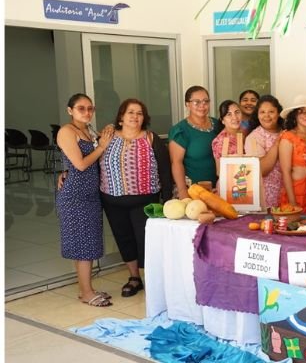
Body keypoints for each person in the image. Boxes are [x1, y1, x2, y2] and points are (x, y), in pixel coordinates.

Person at [99, 99, 172, 297]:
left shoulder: (151, 138)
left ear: (144, 118)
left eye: (139, 113)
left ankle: (154, 280)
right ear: (121, 117)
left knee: (146, 241)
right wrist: (66, 172)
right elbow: (88, 159)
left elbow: (165, 170)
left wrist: (167, 200)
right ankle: (134, 278)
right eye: (130, 112)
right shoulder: (106, 137)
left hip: (145, 201)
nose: (134, 116)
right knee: (124, 239)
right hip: (112, 200)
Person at [55, 93, 114, 307]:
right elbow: (79, 164)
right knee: (83, 245)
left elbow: (106, 140)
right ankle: (87, 292)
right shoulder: (66, 131)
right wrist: (101, 147)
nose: (87, 112)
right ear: (70, 110)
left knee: (88, 242)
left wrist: (106, 133)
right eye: (81, 108)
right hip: (75, 195)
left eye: (90, 108)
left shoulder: (87, 130)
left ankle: (86, 289)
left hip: (90, 194)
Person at [169, 85, 222, 199]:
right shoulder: (181, 130)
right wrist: (183, 191)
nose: (202, 106)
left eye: (205, 101)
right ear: (187, 104)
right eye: (196, 102)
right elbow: (176, 163)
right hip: (192, 191)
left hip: (218, 190)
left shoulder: (218, 125)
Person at [279, 95, 306, 212]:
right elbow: (286, 172)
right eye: (303, 112)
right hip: (296, 193)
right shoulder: (287, 137)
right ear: (295, 115)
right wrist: (293, 203)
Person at [245, 95, 283, 209]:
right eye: (262, 112)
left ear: (278, 113)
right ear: (257, 115)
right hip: (267, 198)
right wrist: (277, 143)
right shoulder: (253, 137)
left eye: (271, 111)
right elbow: (261, 169)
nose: (266, 116)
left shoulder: (287, 131)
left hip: (289, 193)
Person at [212, 100, 245, 174]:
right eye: (229, 114)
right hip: (230, 182)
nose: (235, 117)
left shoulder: (244, 132)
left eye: (237, 112)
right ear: (222, 120)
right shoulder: (220, 141)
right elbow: (219, 171)